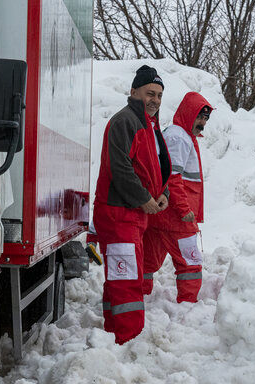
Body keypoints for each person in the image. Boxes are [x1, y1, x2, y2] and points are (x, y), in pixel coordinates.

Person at [93, 65, 171, 345]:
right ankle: (128, 341)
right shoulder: (125, 121)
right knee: (127, 281)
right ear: (134, 91)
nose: (155, 100)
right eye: (150, 93)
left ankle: (114, 335)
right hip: (119, 214)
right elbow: (120, 168)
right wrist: (144, 199)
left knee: (121, 276)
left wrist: (163, 194)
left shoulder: (148, 126)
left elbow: (152, 168)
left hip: (132, 215)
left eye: (160, 95)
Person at [143, 92, 213, 303]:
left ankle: (139, 298)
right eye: (200, 117)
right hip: (176, 216)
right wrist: (184, 210)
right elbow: (172, 178)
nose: (202, 123)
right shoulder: (179, 137)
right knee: (190, 263)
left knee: (148, 261)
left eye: (205, 119)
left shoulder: (179, 135)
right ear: (189, 113)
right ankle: (188, 305)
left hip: (162, 214)